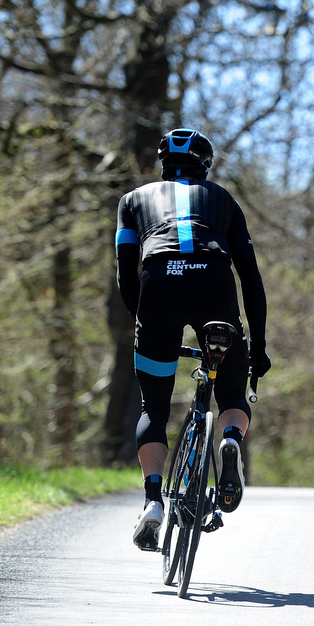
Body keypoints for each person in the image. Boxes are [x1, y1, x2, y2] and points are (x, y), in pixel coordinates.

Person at [115, 129, 271, 550]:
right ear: (206, 166)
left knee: (154, 406)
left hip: (157, 284)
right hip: (214, 283)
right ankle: (229, 441)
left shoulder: (132, 201)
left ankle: (152, 501)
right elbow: (251, 278)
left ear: (162, 164)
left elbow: (125, 272)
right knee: (232, 390)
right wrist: (256, 347)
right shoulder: (223, 199)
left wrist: (144, 322)